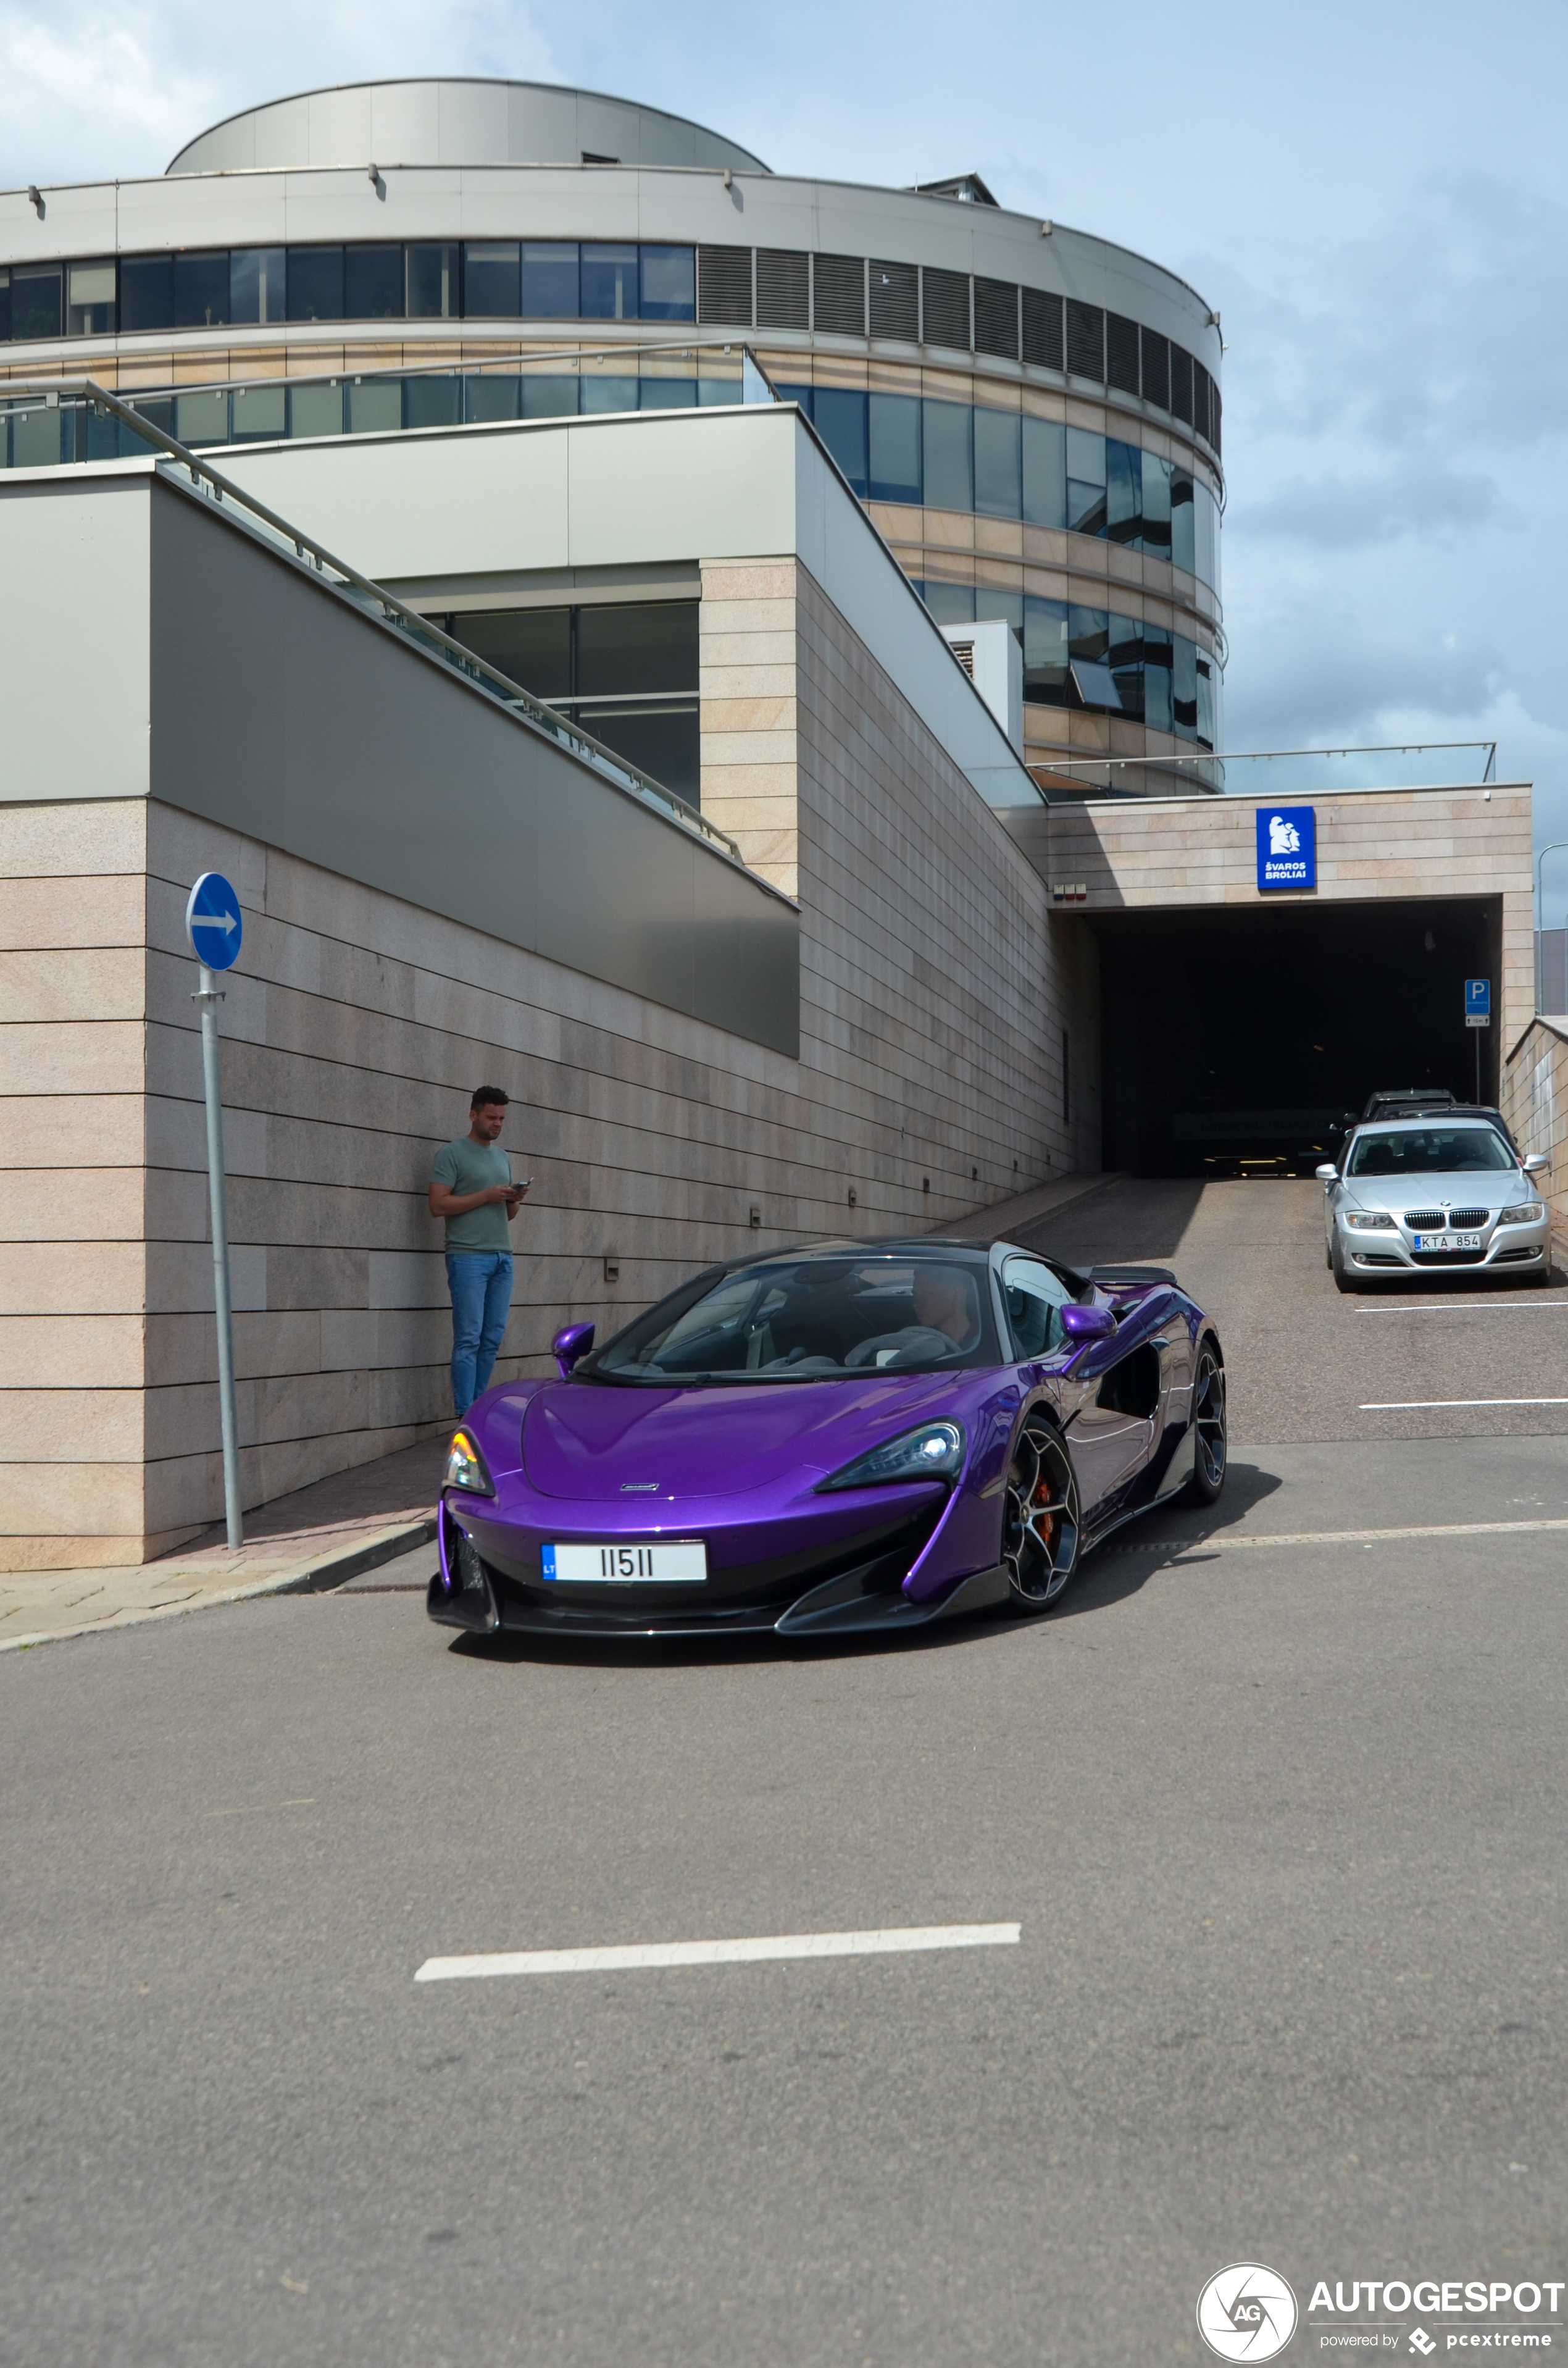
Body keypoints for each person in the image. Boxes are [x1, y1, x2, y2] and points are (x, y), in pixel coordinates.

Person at [429, 1086, 530, 1416]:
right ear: (473, 1115)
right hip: (468, 1257)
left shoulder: (502, 1157)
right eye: (492, 1117)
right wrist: (485, 1195)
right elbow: (437, 1204)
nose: (498, 1123)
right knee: (469, 1338)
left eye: (502, 1118)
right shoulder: (452, 1154)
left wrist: (514, 1199)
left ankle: (478, 1408)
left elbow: (508, 1215)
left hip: (503, 1255)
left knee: (492, 1338)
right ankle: (464, 1413)